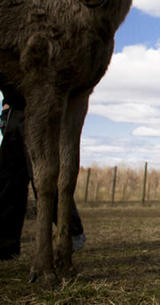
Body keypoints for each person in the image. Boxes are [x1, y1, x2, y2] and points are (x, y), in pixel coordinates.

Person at [0, 100, 85, 260]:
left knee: (42, 176)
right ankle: (6, 245)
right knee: (8, 177)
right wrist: (7, 105)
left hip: (41, 104)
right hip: (15, 108)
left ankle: (72, 231)